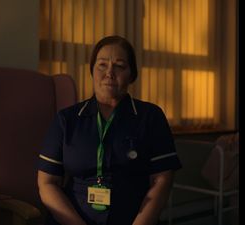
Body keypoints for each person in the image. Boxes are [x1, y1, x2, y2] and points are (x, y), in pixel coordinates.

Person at [37, 35, 182, 225]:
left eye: (120, 66)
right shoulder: (67, 119)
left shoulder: (150, 116)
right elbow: (47, 183)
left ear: (132, 74)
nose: (109, 73)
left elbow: (162, 180)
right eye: (102, 65)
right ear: (92, 70)